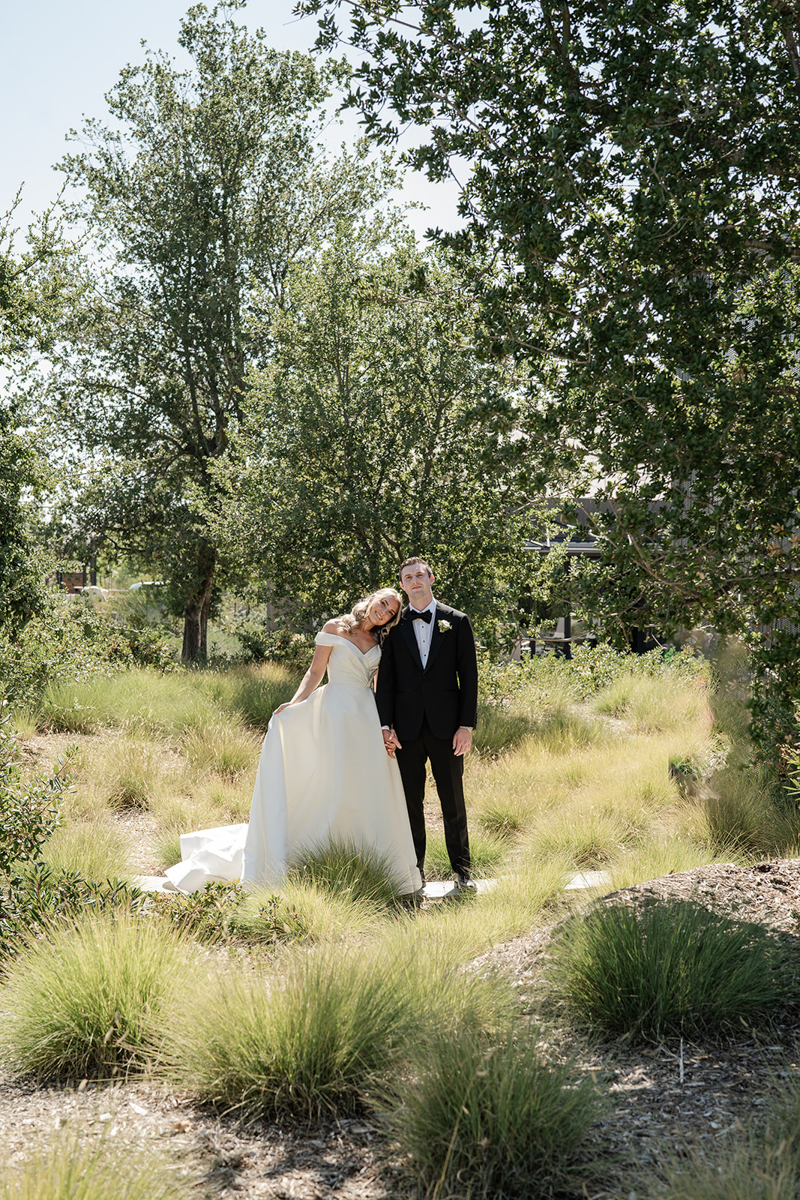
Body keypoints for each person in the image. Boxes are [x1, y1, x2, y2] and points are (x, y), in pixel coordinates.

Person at [165, 588, 422, 896]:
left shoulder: (382, 641)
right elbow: (314, 673)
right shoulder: (334, 627)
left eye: (391, 611)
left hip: (366, 717)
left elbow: (383, 688)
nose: (384, 611)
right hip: (335, 711)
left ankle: (364, 858)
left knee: (367, 784)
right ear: (370, 600)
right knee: (332, 780)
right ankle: (321, 850)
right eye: (383, 603)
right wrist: (294, 704)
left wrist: (386, 726)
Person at [375, 557, 478, 890]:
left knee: (453, 801)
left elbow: (470, 677)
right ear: (402, 585)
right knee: (410, 803)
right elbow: (385, 680)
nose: (415, 580)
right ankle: (414, 870)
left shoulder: (457, 621)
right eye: (408, 577)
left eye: (420, 575)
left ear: (431, 578)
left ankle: (462, 870)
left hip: (447, 728)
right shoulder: (392, 626)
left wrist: (466, 726)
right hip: (405, 730)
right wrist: (385, 725)